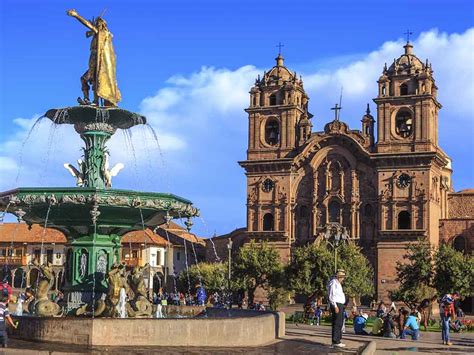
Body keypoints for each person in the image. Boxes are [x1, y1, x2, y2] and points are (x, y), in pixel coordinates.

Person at [327, 269, 346, 348]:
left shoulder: (338, 283)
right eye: (342, 277)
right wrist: (335, 306)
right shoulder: (333, 283)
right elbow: (331, 295)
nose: (343, 279)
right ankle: (335, 341)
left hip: (340, 304)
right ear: (339, 277)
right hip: (337, 304)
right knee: (337, 323)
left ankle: (338, 340)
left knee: (339, 323)